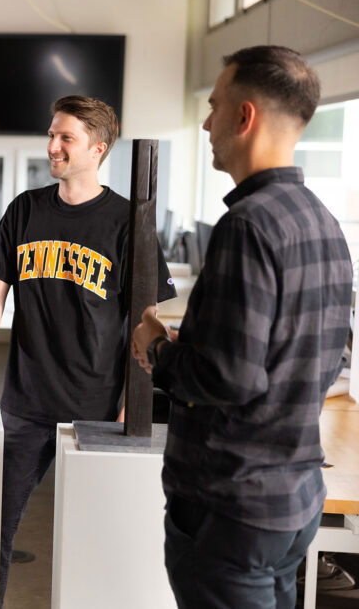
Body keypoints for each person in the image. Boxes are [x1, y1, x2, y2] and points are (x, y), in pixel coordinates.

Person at [131, 45, 353, 609]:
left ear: (244, 116)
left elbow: (229, 377)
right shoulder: (323, 224)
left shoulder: (248, 226)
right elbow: (327, 359)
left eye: (214, 106)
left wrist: (157, 348)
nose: (206, 123)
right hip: (291, 505)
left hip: (230, 510)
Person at [0, 95, 177, 607]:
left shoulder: (127, 221)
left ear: (97, 149)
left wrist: (132, 398)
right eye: (51, 134)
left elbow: (147, 319)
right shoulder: (25, 210)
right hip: (26, 402)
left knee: (97, 539)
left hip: (99, 407)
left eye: (65, 138)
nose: (51, 146)